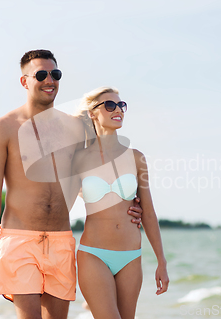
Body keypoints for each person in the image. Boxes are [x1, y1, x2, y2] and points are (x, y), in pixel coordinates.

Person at [0, 50, 143, 319]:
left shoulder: (76, 129)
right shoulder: (4, 127)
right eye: (41, 74)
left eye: (55, 74)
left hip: (61, 240)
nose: (49, 80)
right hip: (19, 239)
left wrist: (131, 204)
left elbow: (98, 169)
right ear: (24, 81)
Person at [72, 87, 169, 319]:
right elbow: (57, 203)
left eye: (121, 105)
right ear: (93, 114)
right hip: (93, 255)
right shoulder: (78, 159)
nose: (118, 110)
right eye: (109, 105)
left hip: (131, 257)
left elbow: (148, 213)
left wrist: (161, 262)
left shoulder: (137, 157)